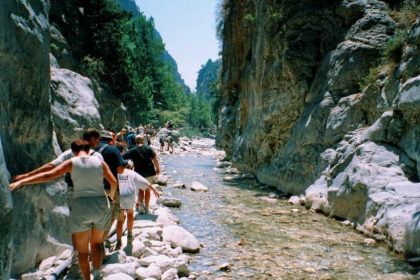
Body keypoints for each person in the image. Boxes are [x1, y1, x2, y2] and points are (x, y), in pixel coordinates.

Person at [10, 139, 117, 280]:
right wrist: (111, 196)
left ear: (73, 151)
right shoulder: (100, 162)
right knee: (97, 243)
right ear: (89, 149)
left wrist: (23, 180)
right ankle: (97, 273)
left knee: (82, 250)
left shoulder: (72, 162)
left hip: (80, 204)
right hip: (100, 202)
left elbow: (49, 175)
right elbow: (113, 182)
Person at [114, 160, 160, 250]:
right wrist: (154, 190)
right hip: (130, 195)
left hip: (120, 195)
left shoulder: (118, 171)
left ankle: (119, 241)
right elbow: (145, 183)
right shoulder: (133, 173)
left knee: (120, 220)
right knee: (130, 214)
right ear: (132, 167)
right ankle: (129, 236)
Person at [96, 130, 125, 250]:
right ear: (110, 140)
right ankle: (99, 243)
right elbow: (120, 170)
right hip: (110, 188)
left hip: (92, 188)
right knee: (111, 215)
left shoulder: (90, 149)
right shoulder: (113, 150)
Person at [122, 134, 160, 214]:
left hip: (139, 172)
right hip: (149, 171)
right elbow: (154, 159)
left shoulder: (133, 150)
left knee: (141, 190)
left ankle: (141, 207)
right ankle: (147, 208)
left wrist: (128, 166)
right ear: (143, 140)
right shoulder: (148, 148)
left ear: (135, 141)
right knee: (147, 190)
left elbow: (123, 157)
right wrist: (158, 169)